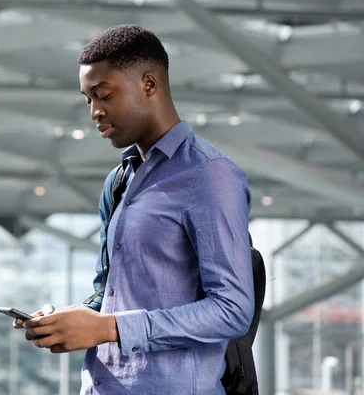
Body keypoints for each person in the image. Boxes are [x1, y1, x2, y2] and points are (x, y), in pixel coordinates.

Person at [14, 24, 255, 395]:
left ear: (149, 84)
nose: (94, 111)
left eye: (103, 95)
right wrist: (69, 320)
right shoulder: (118, 181)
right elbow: (109, 292)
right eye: (87, 99)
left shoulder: (209, 176)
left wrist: (109, 328)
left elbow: (233, 309)